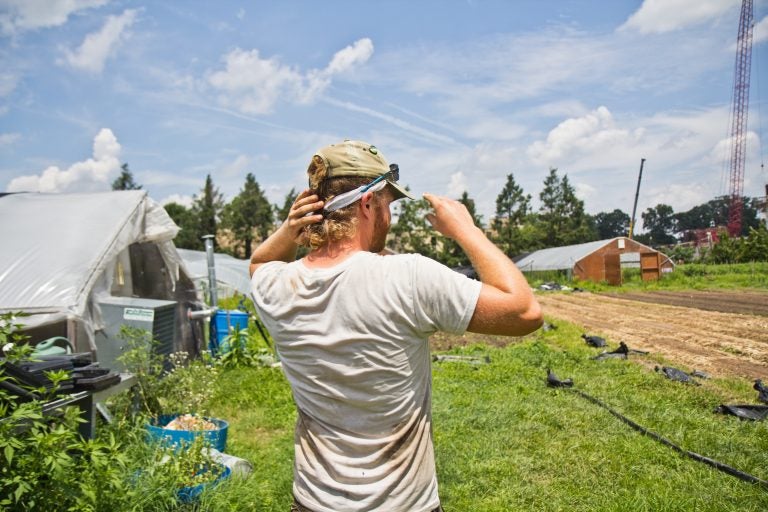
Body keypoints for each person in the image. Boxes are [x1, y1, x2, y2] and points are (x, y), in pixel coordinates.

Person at [249, 140, 542, 512]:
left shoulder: (276, 285)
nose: (390, 215)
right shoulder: (407, 276)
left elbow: (259, 265)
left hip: (312, 501)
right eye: (388, 204)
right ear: (368, 203)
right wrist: (467, 230)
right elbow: (524, 313)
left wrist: (288, 230)